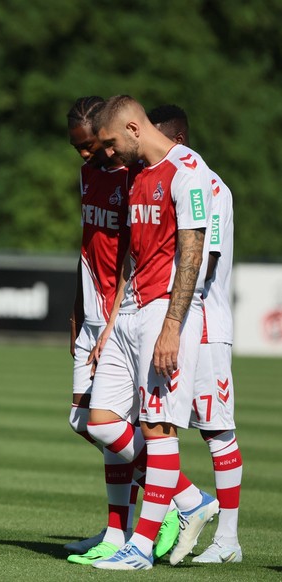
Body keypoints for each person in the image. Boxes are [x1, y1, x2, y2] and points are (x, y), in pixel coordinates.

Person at [87, 95, 219, 570]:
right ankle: (189, 498)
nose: (106, 153)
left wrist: (171, 327)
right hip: (128, 314)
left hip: (164, 312)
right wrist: (109, 324)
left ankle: (139, 548)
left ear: (133, 128)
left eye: (109, 143)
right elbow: (131, 257)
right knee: (99, 420)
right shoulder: (137, 175)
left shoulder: (189, 172)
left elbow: (193, 254)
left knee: (156, 427)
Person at [149, 104, 243, 564]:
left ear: (178, 140)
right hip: (168, 319)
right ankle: (173, 507)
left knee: (216, 431)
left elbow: (203, 261)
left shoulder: (208, 184)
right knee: (153, 425)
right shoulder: (159, 179)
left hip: (203, 323)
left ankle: (227, 540)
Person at [61, 96, 149, 564]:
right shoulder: (87, 175)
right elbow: (87, 246)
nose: (83, 154)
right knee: (83, 421)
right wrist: (77, 312)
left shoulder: (130, 177)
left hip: (119, 317)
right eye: (76, 146)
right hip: (90, 314)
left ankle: (169, 495)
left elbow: (130, 259)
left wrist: (108, 323)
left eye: (89, 144)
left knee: (106, 423)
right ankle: (119, 532)